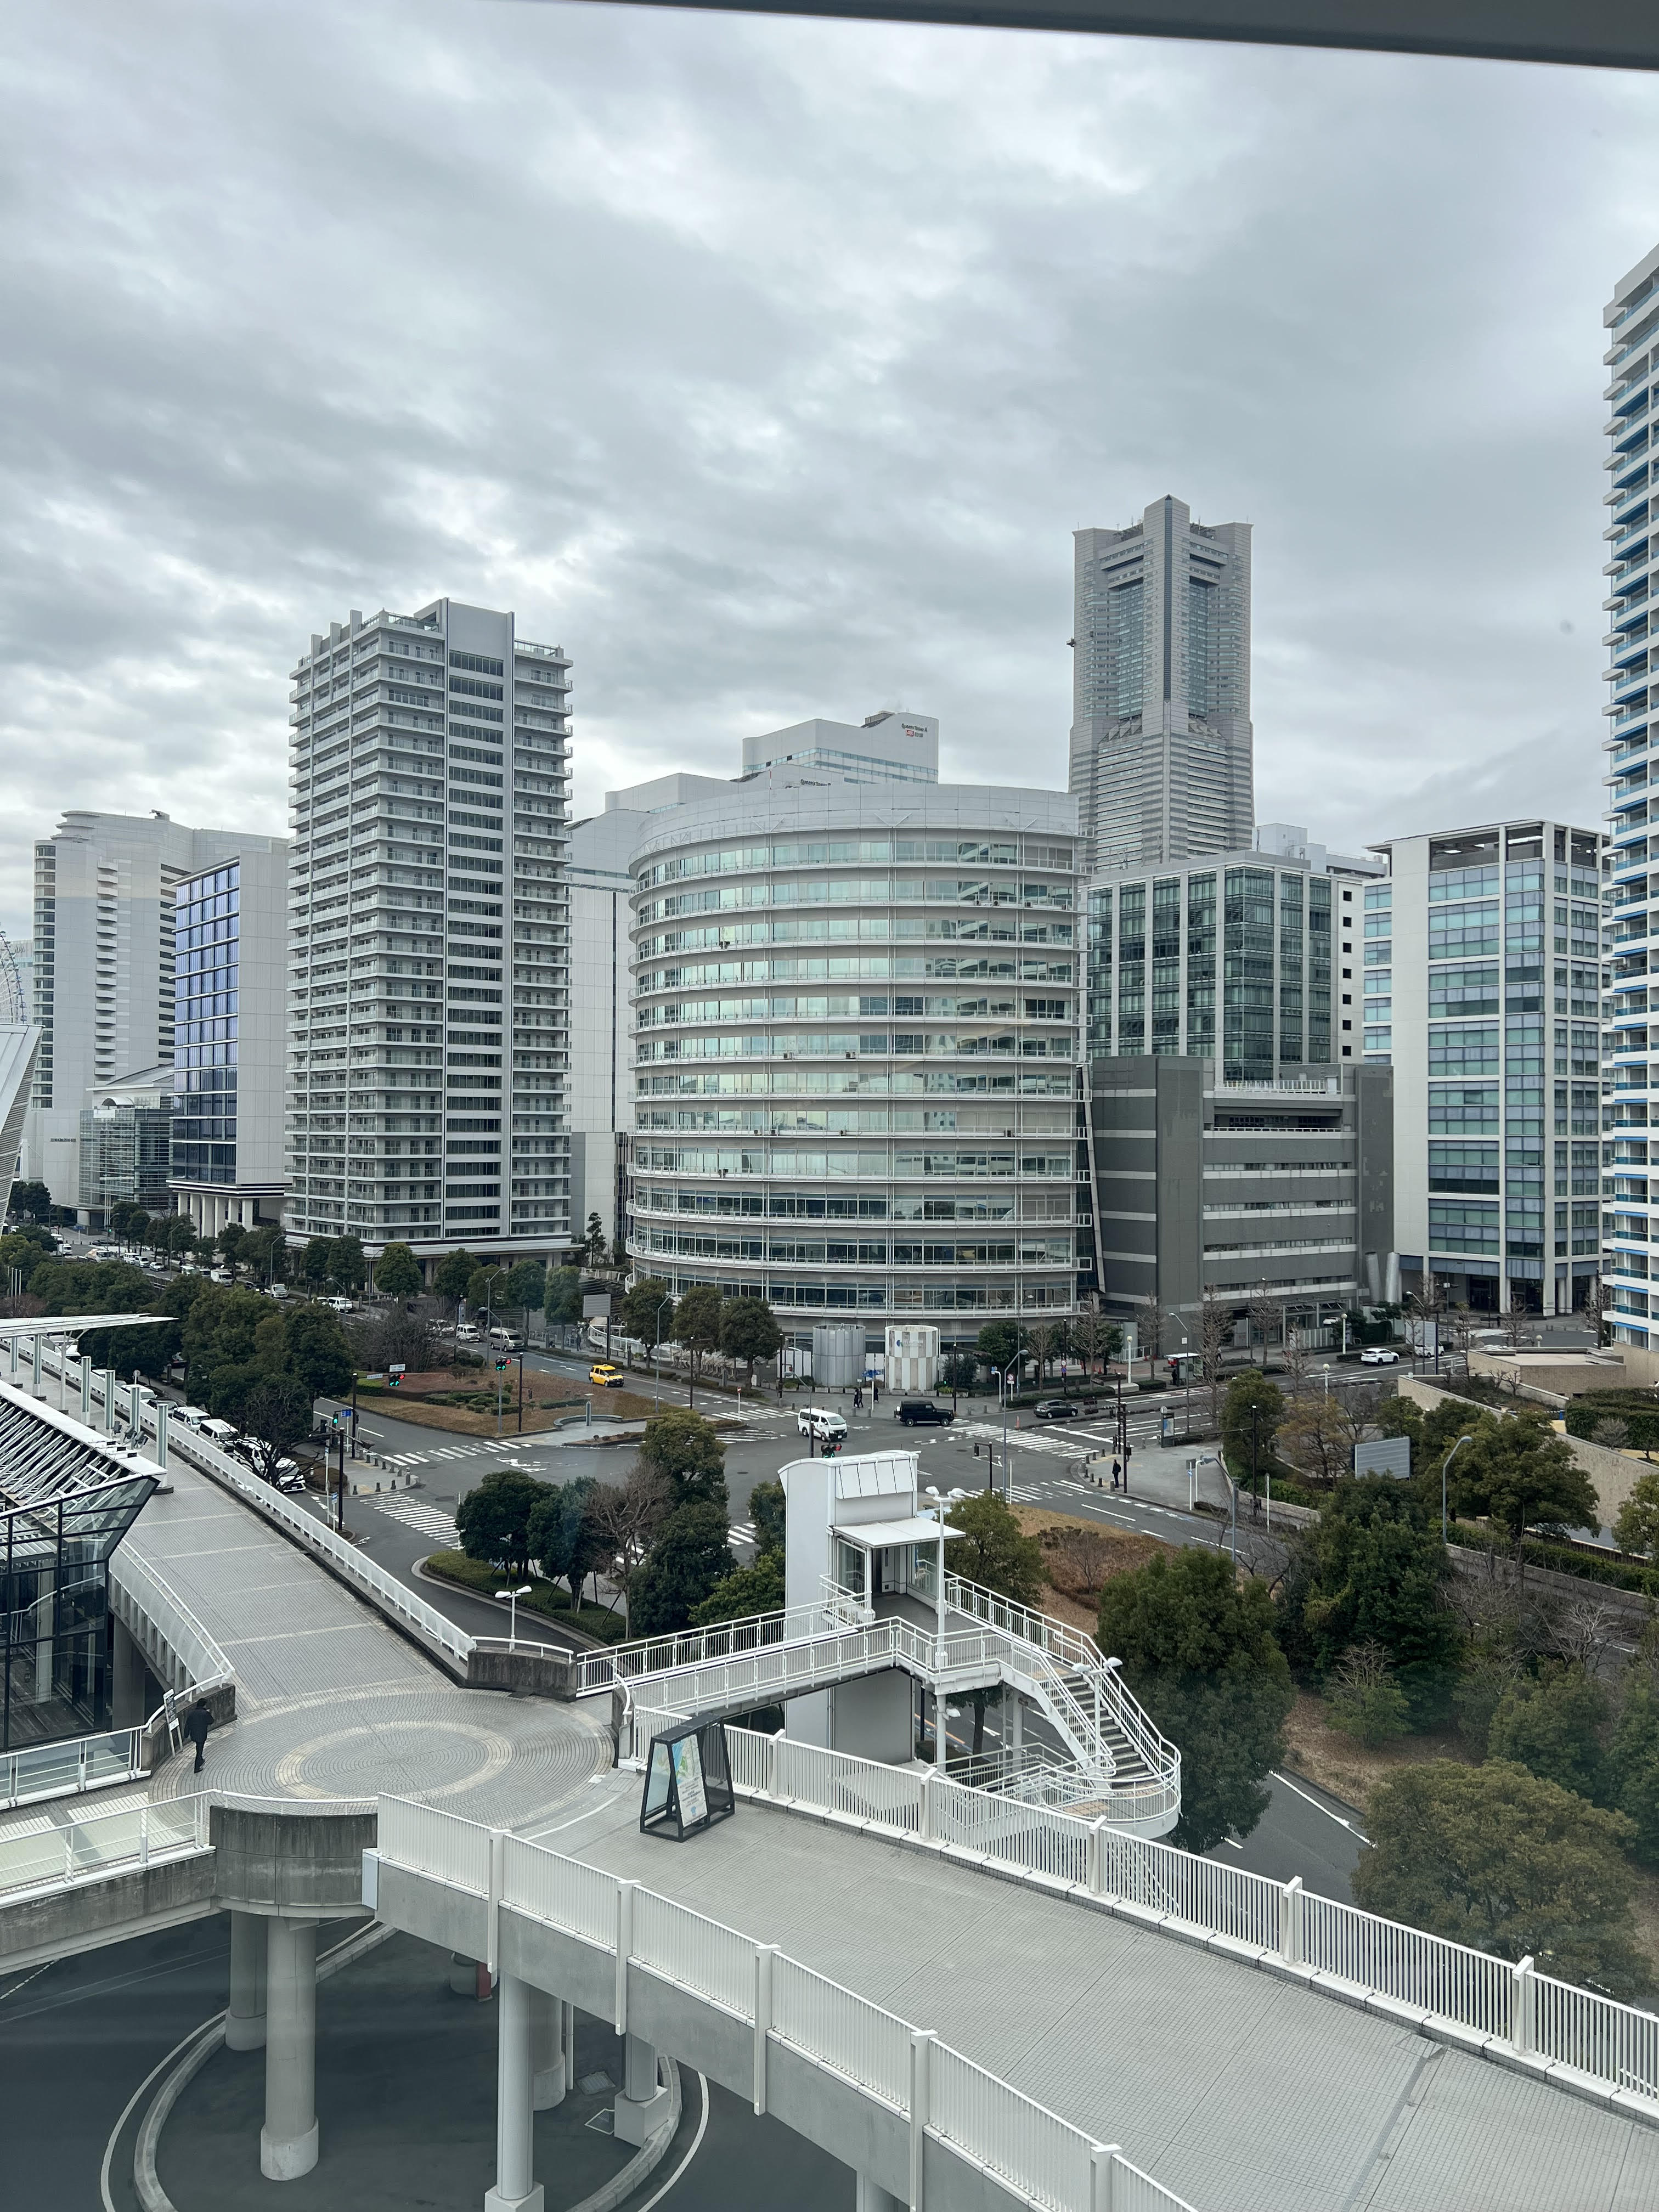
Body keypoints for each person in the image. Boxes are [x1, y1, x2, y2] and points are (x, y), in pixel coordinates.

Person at [184, 1696, 212, 1774]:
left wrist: (186, 1735)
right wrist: (209, 1713)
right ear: (204, 1705)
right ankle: (197, 1767)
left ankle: (201, 1760)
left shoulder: (192, 1713)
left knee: (199, 1748)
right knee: (199, 1750)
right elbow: (211, 1721)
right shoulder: (205, 1713)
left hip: (194, 1734)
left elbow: (188, 1724)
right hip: (202, 1735)